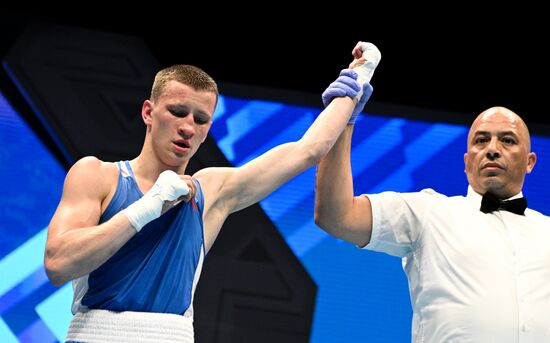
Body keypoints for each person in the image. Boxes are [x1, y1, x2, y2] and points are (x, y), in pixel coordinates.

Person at [44, 42, 377, 342]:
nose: (188, 127)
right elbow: (58, 263)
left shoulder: (213, 192)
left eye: (200, 119)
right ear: (149, 112)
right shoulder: (98, 175)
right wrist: (148, 206)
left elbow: (309, 150)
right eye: (177, 112)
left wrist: (355, 85)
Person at [315, 49, 550, 341]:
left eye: (507, 140)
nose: (492, 148)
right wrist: (341, 120)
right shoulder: (429, 213)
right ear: (466, 162)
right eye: (481, 140)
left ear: (530, 162)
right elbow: (336, 215)